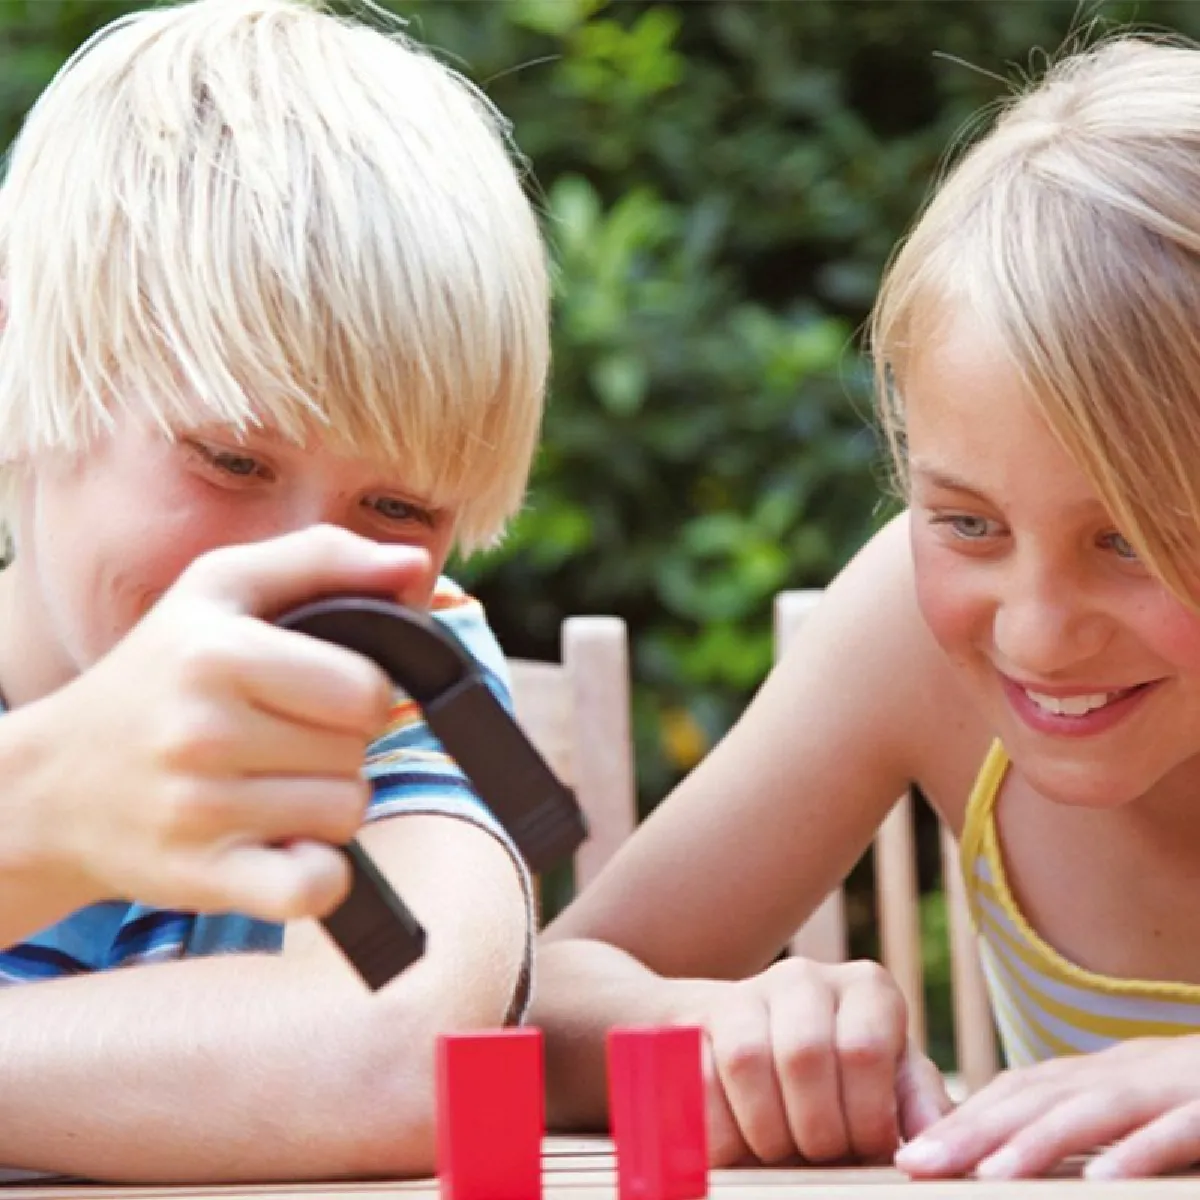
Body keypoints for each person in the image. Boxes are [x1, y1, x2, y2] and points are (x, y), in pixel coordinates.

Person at [532, 34, 1200, 1183]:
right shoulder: (908, 635)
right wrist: (704, 1024)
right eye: (968, 524)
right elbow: (542, 1001)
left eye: (1132, 539)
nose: (1036, 634)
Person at [0, 0, 548, 1182]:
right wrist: (46, 809)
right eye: (233, 463)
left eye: (398, 509)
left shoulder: (404, 672)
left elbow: (397, 1056)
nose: (304, 571)